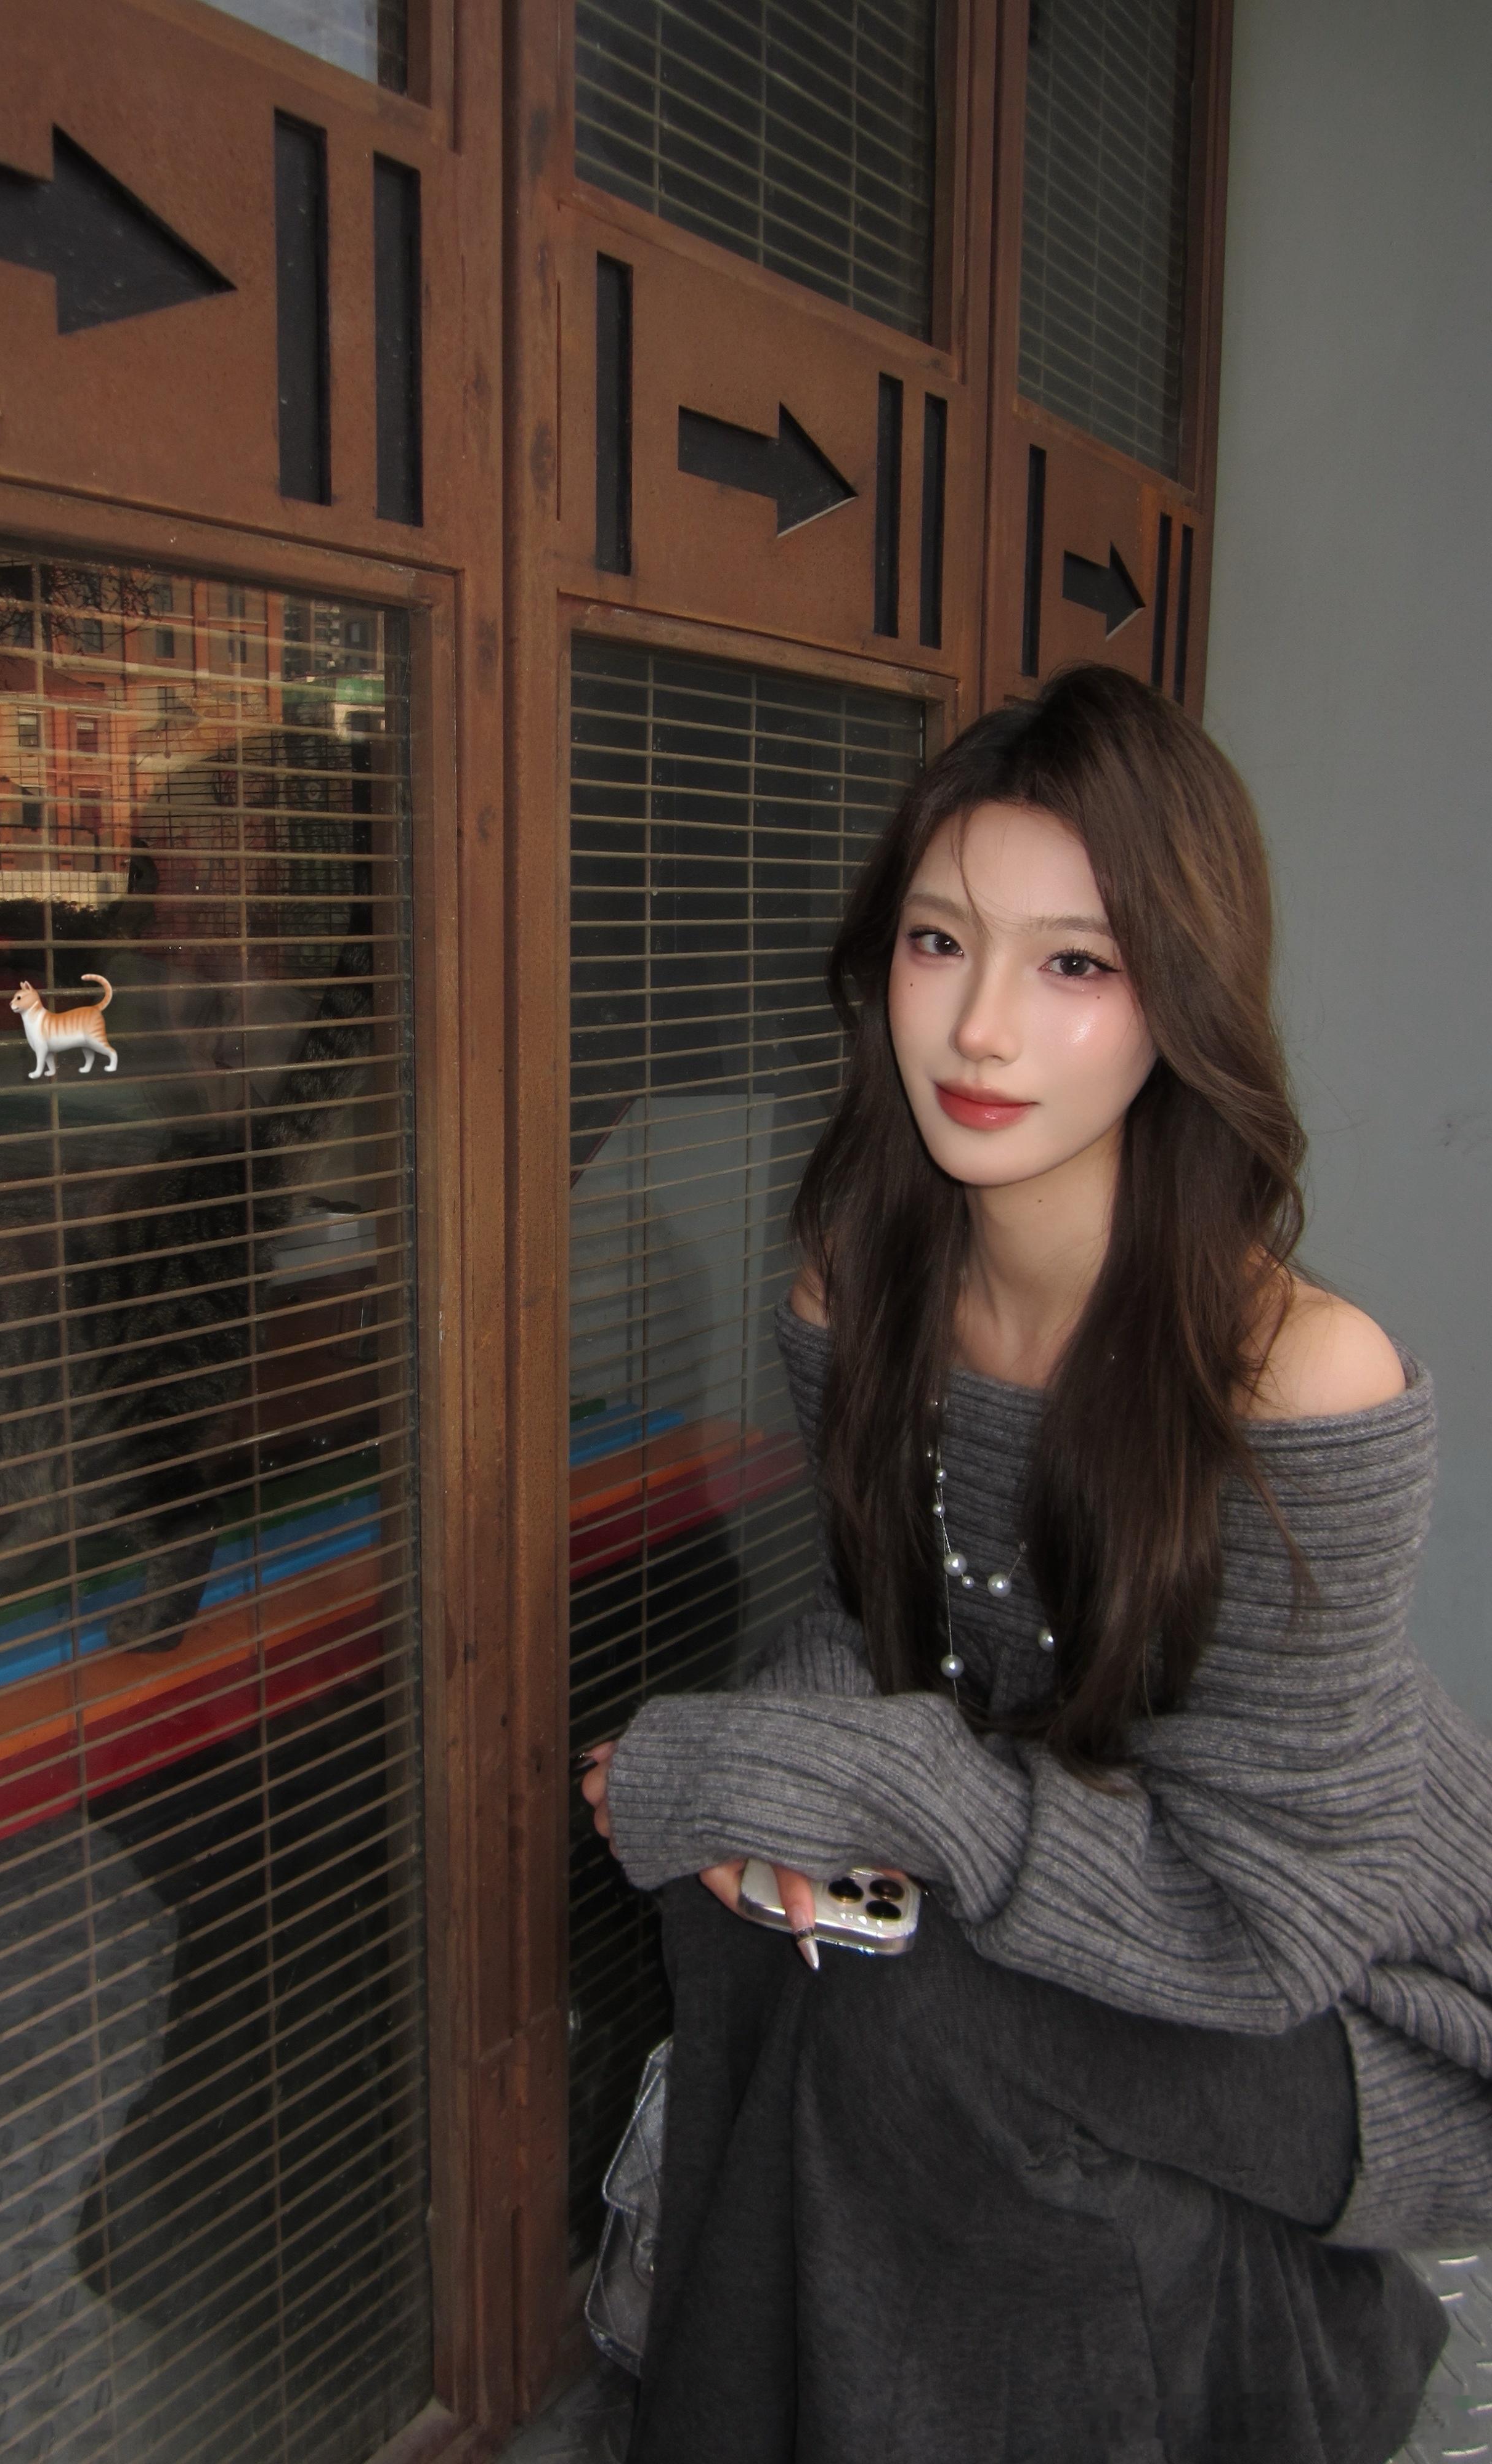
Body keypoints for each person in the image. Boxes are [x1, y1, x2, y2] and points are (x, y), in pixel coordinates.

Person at [579, 665, 1492, 2464]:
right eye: (941, 942)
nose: (981, 1029)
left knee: (918, 2012)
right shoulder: (862, 1284)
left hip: (1356, 2009)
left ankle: (1301, 2358)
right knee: (766, 1924)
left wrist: (868, 1785)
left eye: (1075, 963)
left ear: (1184, 997)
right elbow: (885, 1626)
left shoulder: (1300, 1376)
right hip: (1100, 1902)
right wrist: (784, 1778)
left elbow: (1258, 1932)